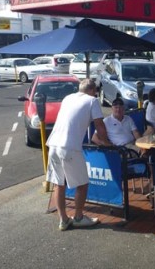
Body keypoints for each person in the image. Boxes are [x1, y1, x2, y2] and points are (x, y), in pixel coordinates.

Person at [46, 79, 110, 231]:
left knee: (59, 184)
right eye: (96, 91)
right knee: (82, 184)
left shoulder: (68, 98)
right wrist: (107, 143)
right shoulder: (92, 100)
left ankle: (63, 220)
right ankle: (79, 217)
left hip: (53, 144)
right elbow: (99, 125)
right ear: (93, 90)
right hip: (70, 147)